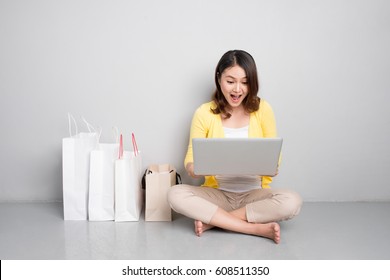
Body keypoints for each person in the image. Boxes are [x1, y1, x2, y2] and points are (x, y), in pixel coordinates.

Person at [168, 50, 302, 244]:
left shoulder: (263, 109)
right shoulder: (204, 113)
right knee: (174, 194)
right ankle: (253, 228)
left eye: (245, 82)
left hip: (254, 194)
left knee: (292, 200)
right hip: (218, 195)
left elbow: (275, 162)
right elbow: (190, 160)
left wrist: (271, 166)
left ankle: (214, 221)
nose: (237, 89)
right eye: (230, 81)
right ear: (218, 78)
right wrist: (195, 168)